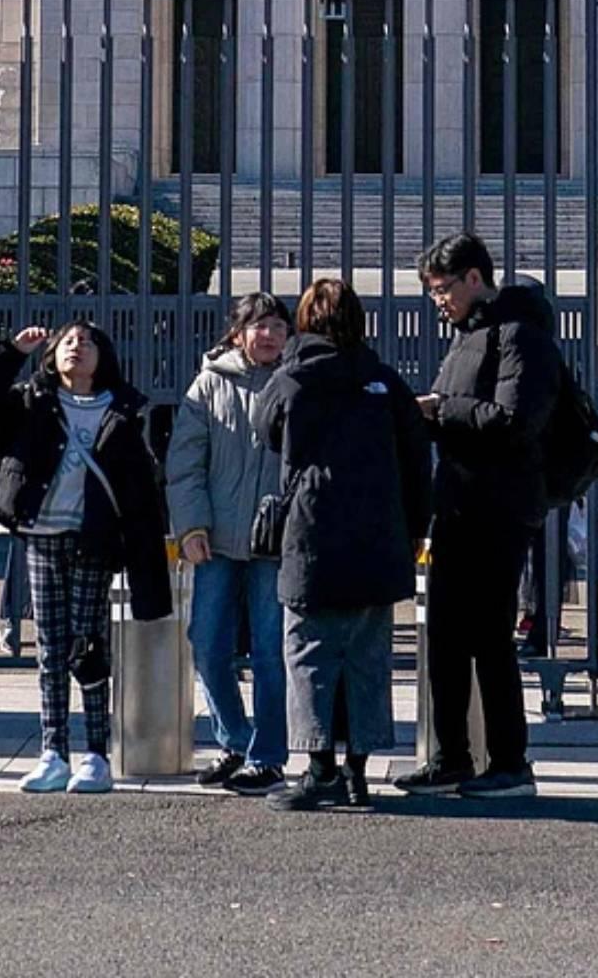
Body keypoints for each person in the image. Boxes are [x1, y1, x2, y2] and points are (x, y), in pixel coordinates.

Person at [0, 316, 174, 794]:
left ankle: (96, 752)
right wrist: (8, 351)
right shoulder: (32, 402)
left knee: (89, 647)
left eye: (88, 342)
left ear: (103, 357)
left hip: (93, 539)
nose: (77, 347)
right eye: (68, 341)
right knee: (52, 650)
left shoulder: (124, 410)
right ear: (52, 355)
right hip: (41, 535)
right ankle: (53, 751)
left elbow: (141, 490)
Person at [251, 275, 431, 810]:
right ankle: (358, 770)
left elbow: (267, 431)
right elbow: (417, 461)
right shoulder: (383, 380)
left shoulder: (291, 379)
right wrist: (415, 527)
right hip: (378, 535)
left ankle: (318, 767)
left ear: (305, 322)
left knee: (308, 652)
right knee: (367, 655)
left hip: (313, 533)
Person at [400, 231, 557, 801]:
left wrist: (444, 409)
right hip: (458, 504)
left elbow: (516, 418)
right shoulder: (466, 337)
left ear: (474, 278)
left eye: (444, 289)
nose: (438, 301)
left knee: (490, 636)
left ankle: (510, 759)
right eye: (432, 292)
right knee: (443, 633)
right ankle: (452, 756)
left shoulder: (520, 334)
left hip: (501, 506)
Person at [165, 291, 293, 792]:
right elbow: (184, 462)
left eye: (279, 327)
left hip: (274, 542)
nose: (269, 336)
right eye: (259, 326)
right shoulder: (207, 385)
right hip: (213, 540)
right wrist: (192, 526)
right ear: (237, 333)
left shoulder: (294, 383)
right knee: (209, 646)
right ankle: (233, 739)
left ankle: (268, 755)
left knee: (269, 652)